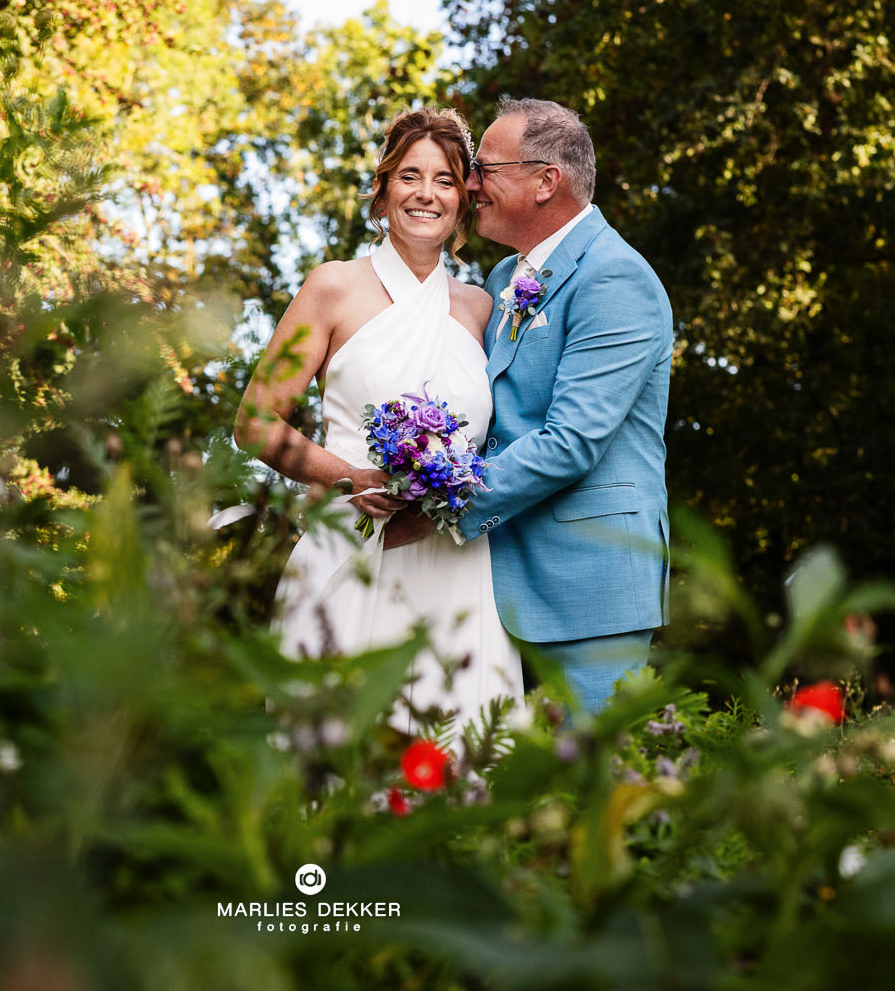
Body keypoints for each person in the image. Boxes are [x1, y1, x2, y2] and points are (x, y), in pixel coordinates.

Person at [234, 108, 522, 733]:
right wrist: (348, 477)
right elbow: (255, 422)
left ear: (464, 199)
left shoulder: (480, 306)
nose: (426, 193)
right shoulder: (333, 287)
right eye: (410, 175)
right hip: (354, 541)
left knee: (458, 748)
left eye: (445, 180)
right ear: (384, 187)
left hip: (456, 559)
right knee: (340, 741)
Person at [392, 96, 673, 715]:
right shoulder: (499, 282)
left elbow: (571, 442)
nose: (470, 184)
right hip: (490, 577)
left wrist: (442, 508)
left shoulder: (615, 278)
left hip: (590, 580)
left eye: (485, 169)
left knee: (599, 786)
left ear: (547, 181)